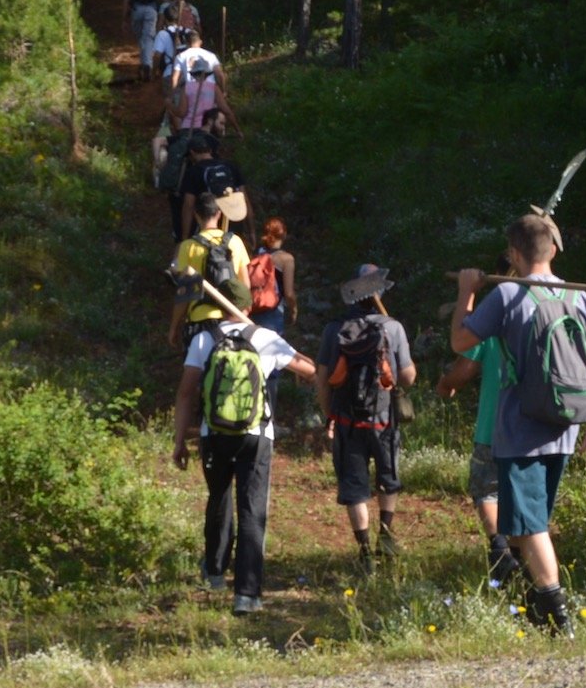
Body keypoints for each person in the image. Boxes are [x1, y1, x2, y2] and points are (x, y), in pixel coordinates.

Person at [450, 213, 586, 638]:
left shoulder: (506, 295)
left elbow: (460, 343)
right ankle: (532, 606)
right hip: (566, 425)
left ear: (515, 255)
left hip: (520, 431)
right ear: (553, 250)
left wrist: (466, 293)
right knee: (523, 522)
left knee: (531, 525)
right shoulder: (582, 298)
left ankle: (558, 615)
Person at [171, 278, 315, 614]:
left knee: (219, 497)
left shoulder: (204, 339)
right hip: (256, 435)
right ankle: (247, 595)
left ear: (219, 307)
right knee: (252, 508)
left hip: (214, 432)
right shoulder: (265, 338)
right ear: (248, 306)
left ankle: (216, 573)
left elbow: (186, 392)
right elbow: (310, 371)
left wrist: (180, 440)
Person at [315, 264, 417, 571]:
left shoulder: (334, 329)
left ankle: (363, 553)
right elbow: (408, 376)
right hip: (384, 419)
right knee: (388, 479)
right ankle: (385, 534)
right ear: (379, 292)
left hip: (347, 420)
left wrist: (328, 413)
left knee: (354, 486)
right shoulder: (393, 328)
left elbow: (322, 378)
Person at [436, 253, 520, 584]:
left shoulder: (494, 315)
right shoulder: (539, 308)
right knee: (518, 494)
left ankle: (500, 550)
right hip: (533, 428)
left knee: (487, 490)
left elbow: (465, 365)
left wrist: (445, 385)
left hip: (493, 426)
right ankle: (522, 563)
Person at [168, 191, 251, 348]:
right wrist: (242, 314)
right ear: (219, 213)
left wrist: (174, 326)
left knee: (197, 369)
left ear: (196, 214)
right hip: (231, 318)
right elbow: (245, 285)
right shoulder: (235, 241)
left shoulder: (188, 246)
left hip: (199, 320)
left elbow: (184, 294)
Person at [249, 217, 299, 419]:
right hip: (273, 313)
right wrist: (294, 309)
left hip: (253, 311)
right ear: (284, 235)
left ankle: (249, 411)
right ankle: (268, 418)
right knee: (271, 365)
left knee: (252, 360)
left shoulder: (256, 255)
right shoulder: (286, 259)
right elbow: (288, 293)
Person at [178, 133, 256, 246]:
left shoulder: (194, 172)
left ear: (192, 152)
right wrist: (252, 231)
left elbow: (188, 206)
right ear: (210, 150)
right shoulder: (231, 166)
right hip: (234, 220)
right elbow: (245, 200)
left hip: (210, 226)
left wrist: (184, 237)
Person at [124, 0, 166, 82]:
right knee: (148, 38)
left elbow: (127, 1)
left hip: (136, 11)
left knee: (141, 38)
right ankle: (147, 64)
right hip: (151, 11)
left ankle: (144, 63)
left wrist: (124, 19)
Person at [170, 29, 228, 94]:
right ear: (200, 42)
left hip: (190, 91)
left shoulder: (180, 56)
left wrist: (173, 94)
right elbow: (220, 75)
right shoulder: (210, 55)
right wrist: (223, 91)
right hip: (209, 90)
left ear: (186, 43)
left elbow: (175, 78)